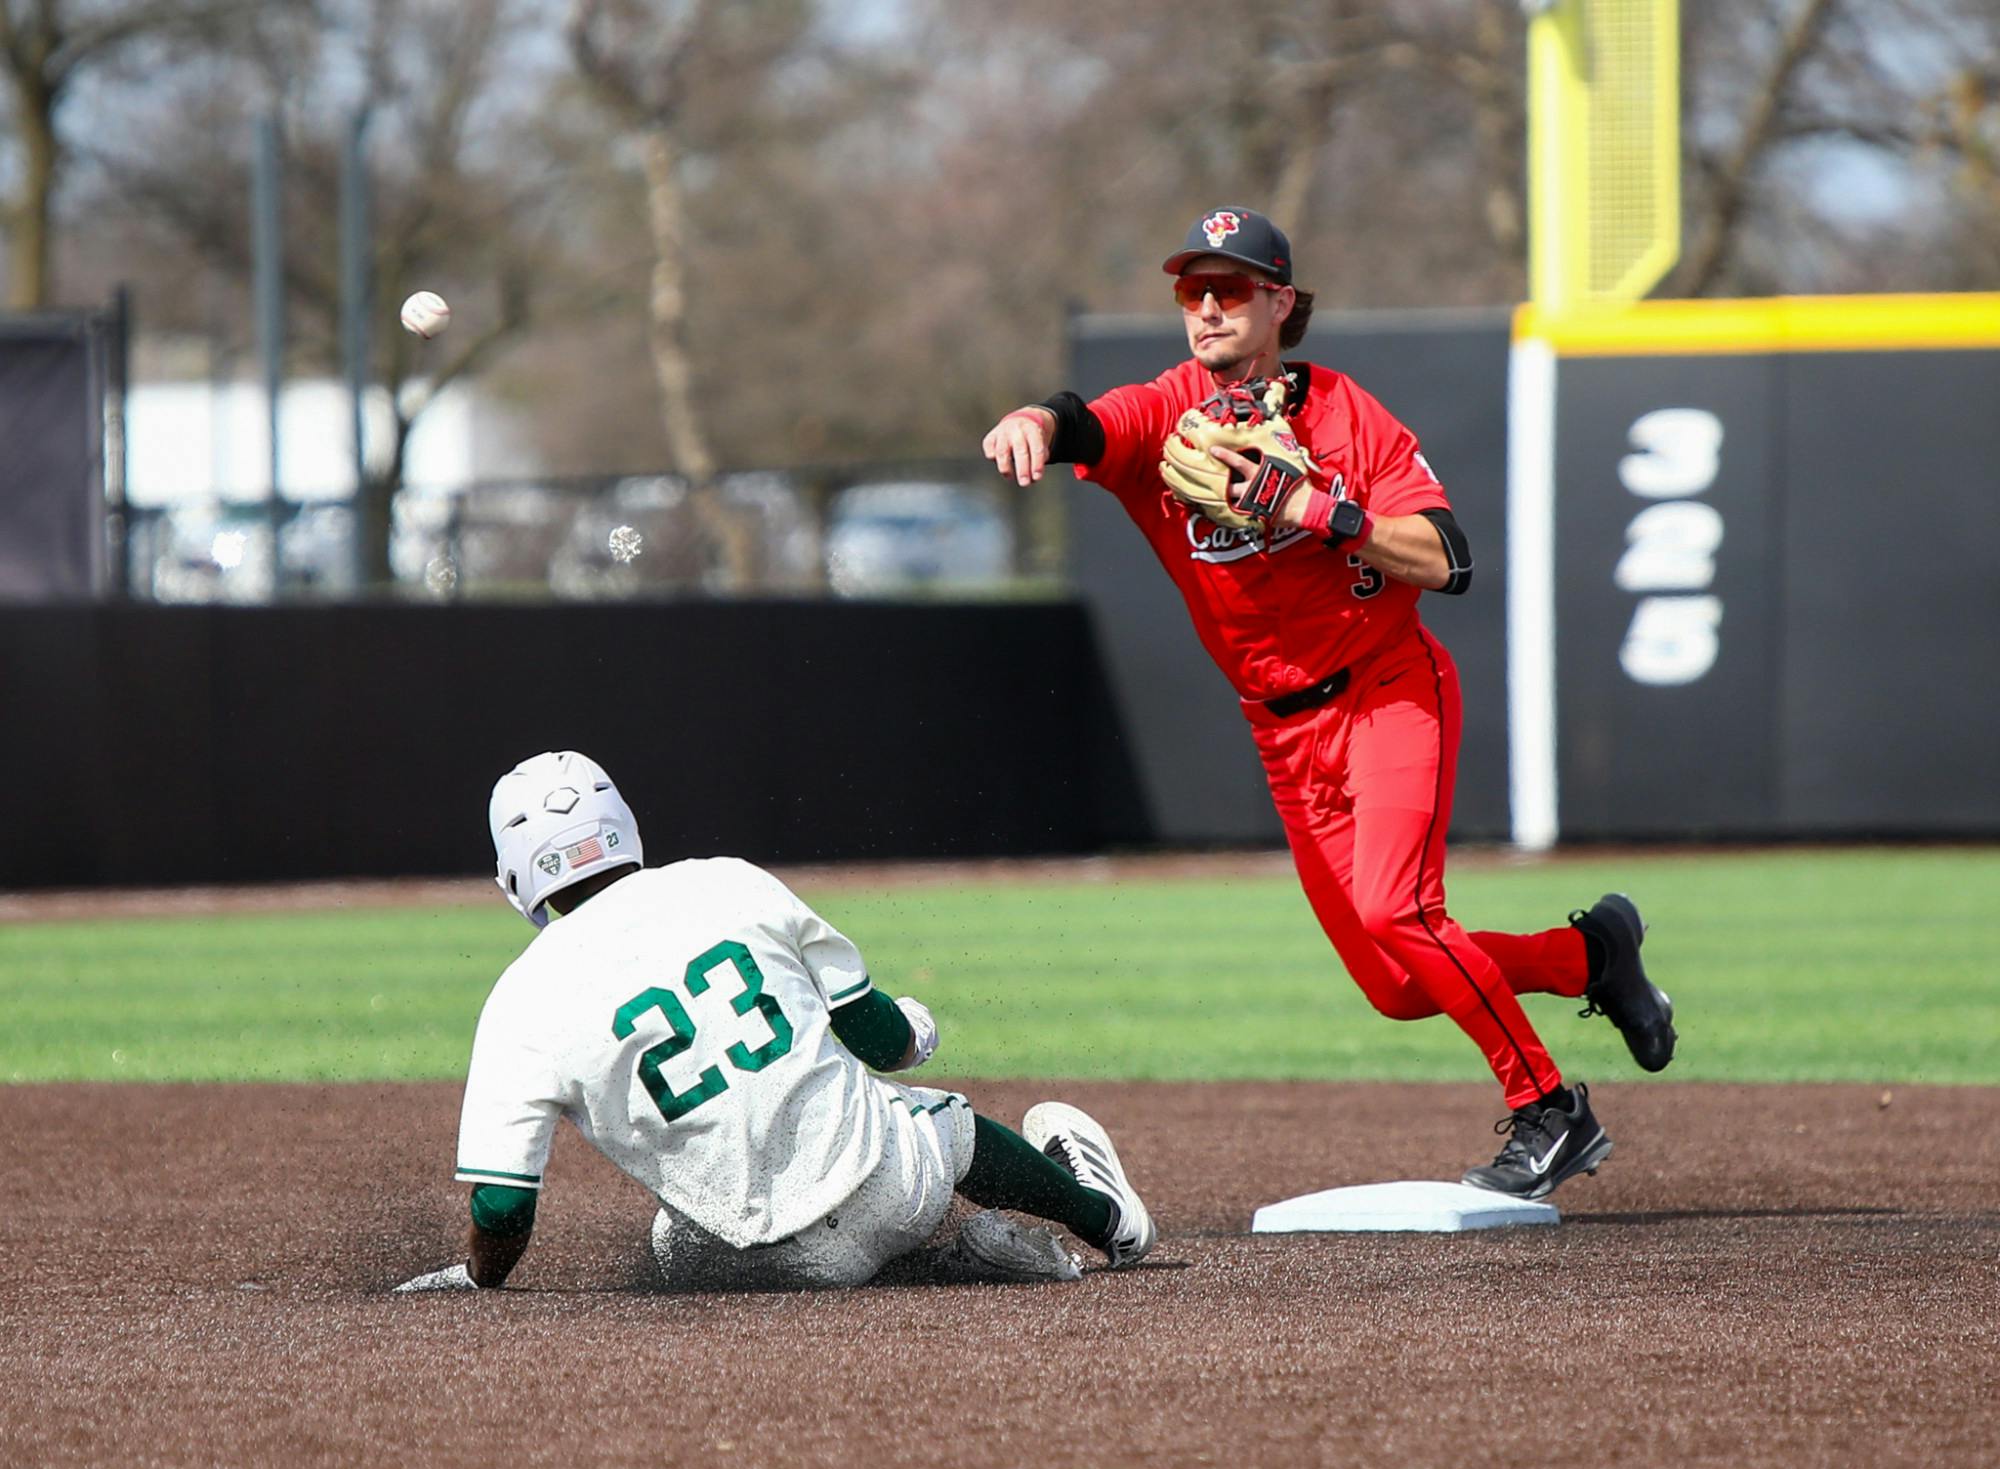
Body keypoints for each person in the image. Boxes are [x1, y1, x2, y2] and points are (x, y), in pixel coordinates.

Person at [980, 206, 1676, 1200]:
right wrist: (1034, 423)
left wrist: (1318, 511)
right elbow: (1084, 420)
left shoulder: (1349, 416)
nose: (1208, 306)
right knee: (1396, 985)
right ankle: (1589, 955)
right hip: (1281, 729)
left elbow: (1448, 560)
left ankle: (1549, 1109)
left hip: (1388, 685)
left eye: (1231, 287)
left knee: (1401, 913)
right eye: (1192, 289)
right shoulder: (1164, 411)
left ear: (1280, 302)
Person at [397, 750, 1154, 1293]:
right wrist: (919, 1032)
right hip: (894, 1192)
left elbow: (501, 1204)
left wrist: (478, 1276)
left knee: (671, 1237)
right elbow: (881, 1041)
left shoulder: (519, 999)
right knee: (941, 1121)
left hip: (748, 1268)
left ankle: (935, 1265)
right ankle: (1109, 1223)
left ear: (517, 876)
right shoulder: (729, 882)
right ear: (623, 824)